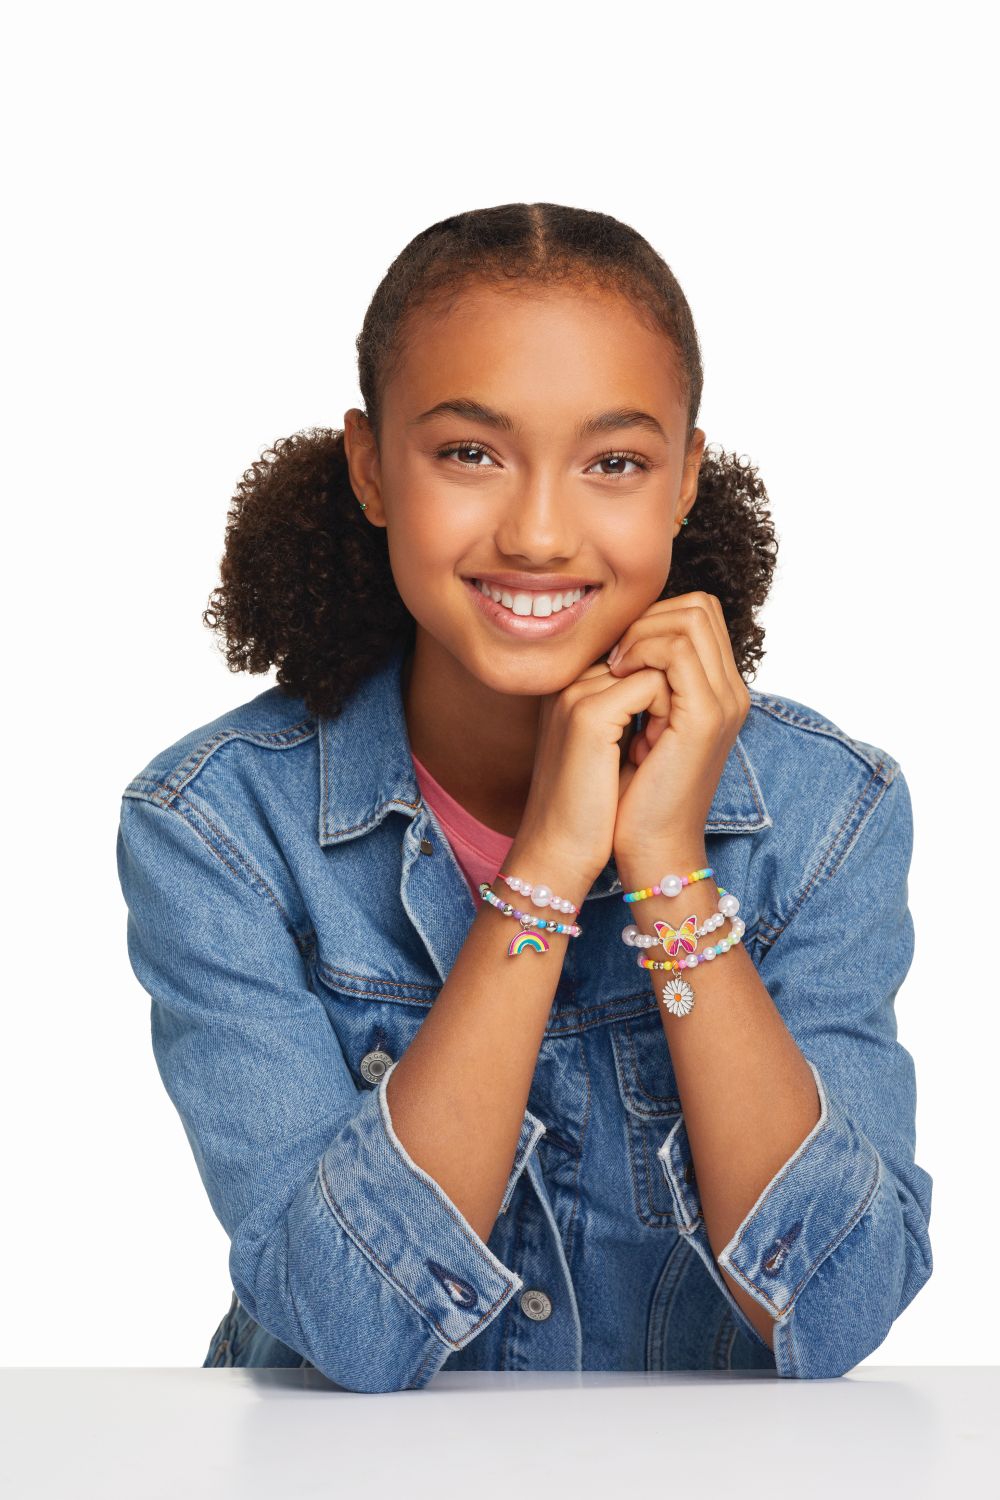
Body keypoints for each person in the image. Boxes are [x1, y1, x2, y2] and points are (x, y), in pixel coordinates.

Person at [116, 201, 933, 1391]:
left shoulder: (825, 815)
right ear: (370, 467)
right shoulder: (218, 829)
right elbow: (353, 1326)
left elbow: (838, 1305)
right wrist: (543, 871)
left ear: (684, 480)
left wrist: (668, 871)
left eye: (614, 463)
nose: (540, 533)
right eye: (470, 453)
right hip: (341, 1473)